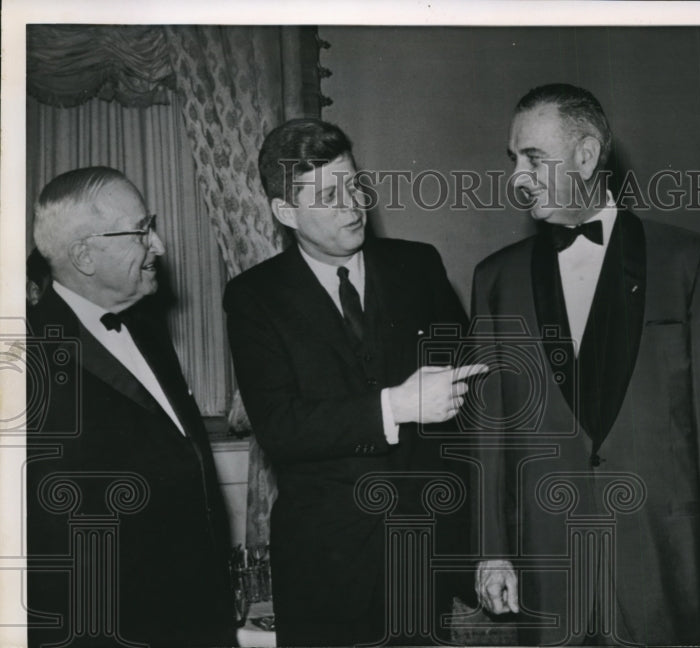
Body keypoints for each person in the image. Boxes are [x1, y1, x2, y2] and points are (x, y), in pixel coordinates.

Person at [470, 83, 700, 645]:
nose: (517, 176)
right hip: (547, 561)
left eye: (533, 158)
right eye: (513, 160)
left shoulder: (685, 260)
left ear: (586, 156)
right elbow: (491, 432)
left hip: (662, 557)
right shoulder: (496, 280)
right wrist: (491, 551)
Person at [224, 118, 485, 646]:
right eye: (327, 194)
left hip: (421, 559)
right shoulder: (254, 298)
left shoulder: (418, 265)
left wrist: (480, 544)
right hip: (325, 571)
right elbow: (280, 429)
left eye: (353, 183)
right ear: (285, 212)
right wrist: (396, 405)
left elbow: (472, 405)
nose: (352, 203)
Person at [26, 166, 235, 647]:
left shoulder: (145, 325)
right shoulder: (27, 356)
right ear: (84, 255)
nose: (159, 246)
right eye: (142, 230)